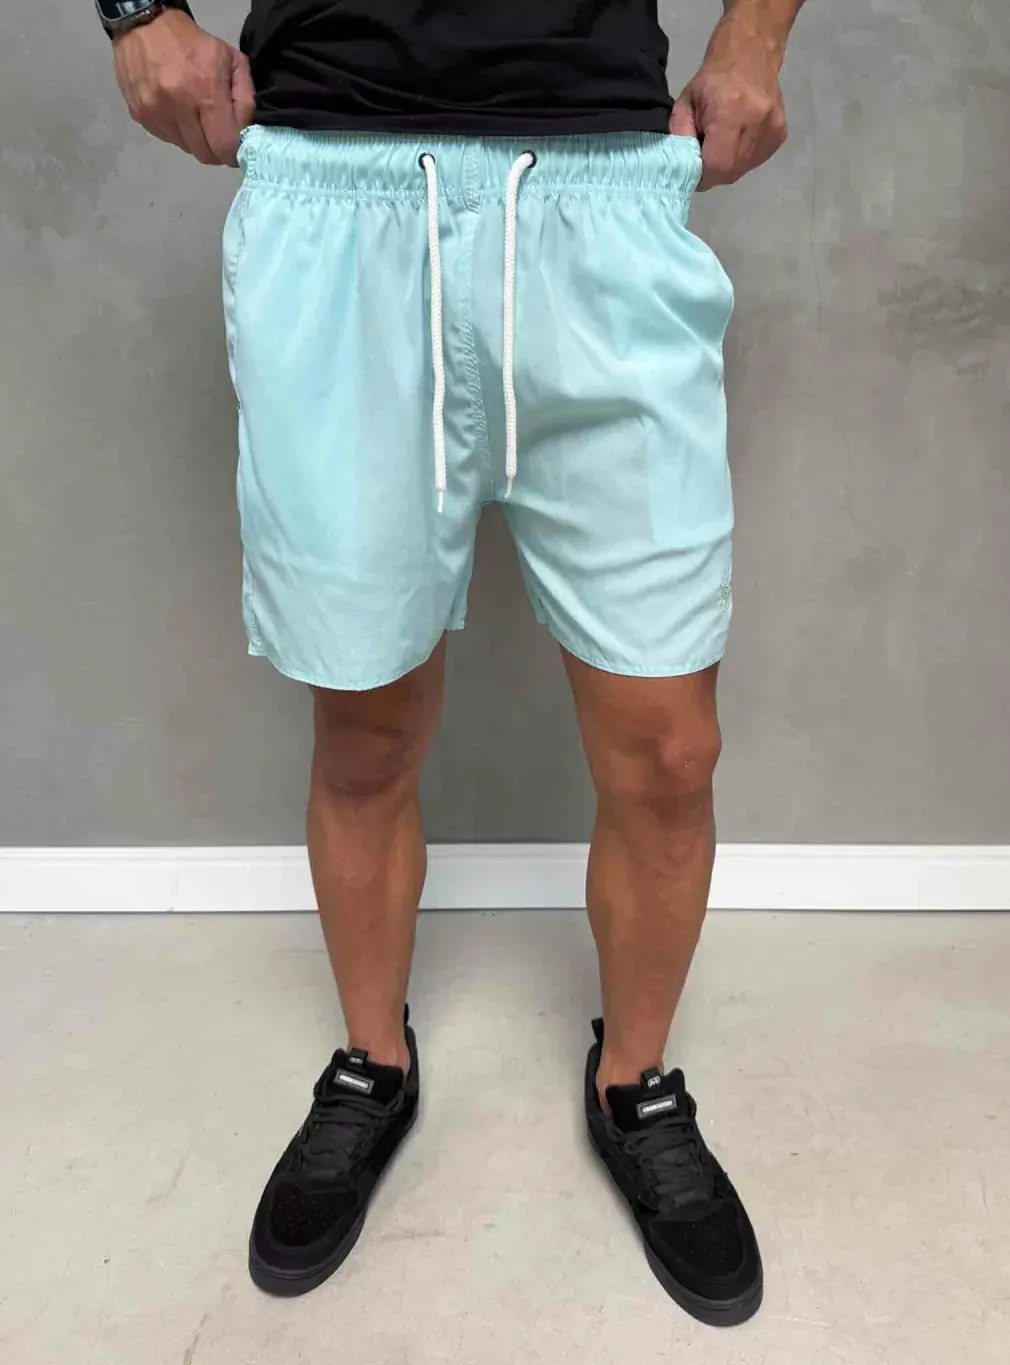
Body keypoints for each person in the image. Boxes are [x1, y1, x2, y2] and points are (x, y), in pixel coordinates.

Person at [102, 0, 804, 1326]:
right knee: (365, 729)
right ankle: (373, 1065)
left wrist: (757, 35)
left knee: (670, 747)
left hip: (600, 190)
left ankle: (637, 1085)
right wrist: (136, 13)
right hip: (340, 190)